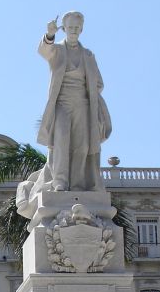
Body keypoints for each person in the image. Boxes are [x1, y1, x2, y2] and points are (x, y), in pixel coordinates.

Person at [35, 12, 112, 192]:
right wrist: (50, 35)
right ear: (64, 28)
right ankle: (60, 181)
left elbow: (99, 83)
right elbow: (43, 51)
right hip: (61, 103)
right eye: (70, 27)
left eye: (77, 27)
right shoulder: (58, 50)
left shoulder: (88, 55)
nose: (73, 31)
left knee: (82, 144)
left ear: (82, 29)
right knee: (61, 140)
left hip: (83, 105)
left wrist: (90, 90)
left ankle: (77, 183)